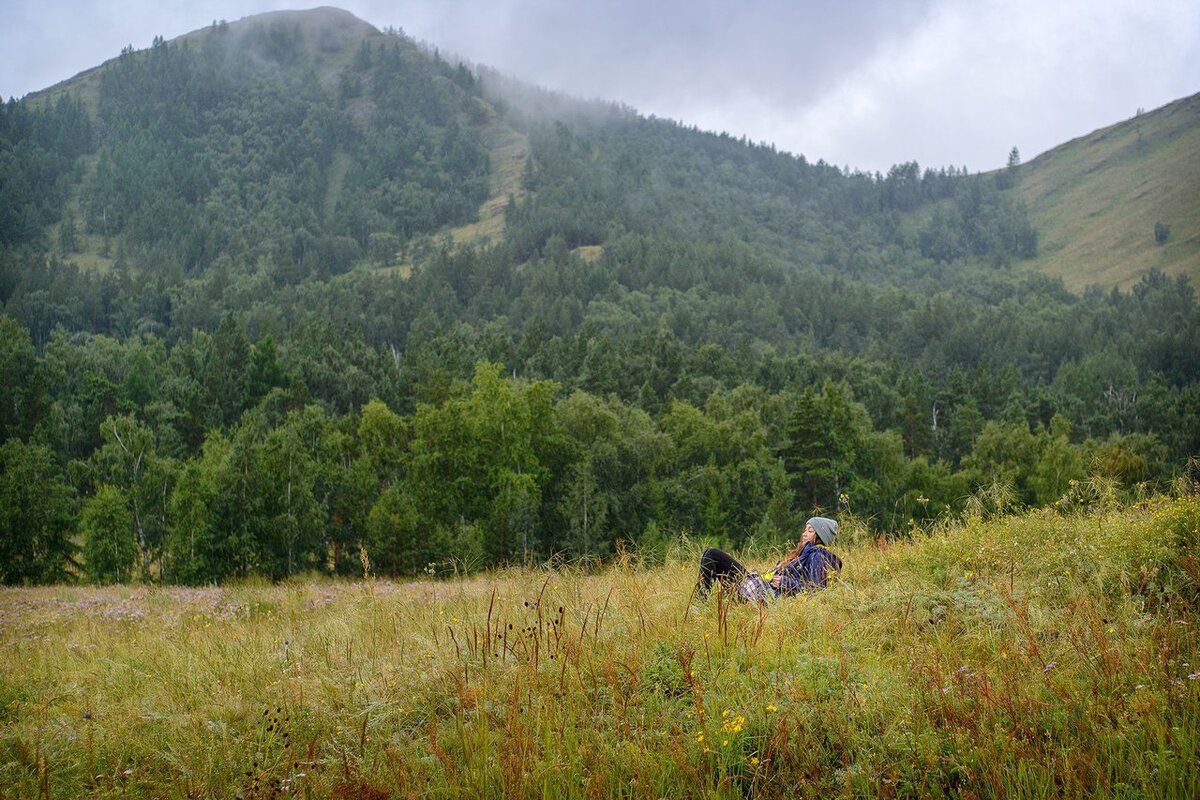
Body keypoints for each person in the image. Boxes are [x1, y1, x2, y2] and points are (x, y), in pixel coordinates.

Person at [696, 517, 842, 600]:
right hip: (759, 586)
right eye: (805, 530)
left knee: (712, 554)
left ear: (820, 537)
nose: (804, 534)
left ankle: (699, 603)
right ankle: (701, 602)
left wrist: (786, 582)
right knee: (710, 555)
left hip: (762, 593)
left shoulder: (818, 555)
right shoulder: (804, 553)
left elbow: (816, 591)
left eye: (810, 531)